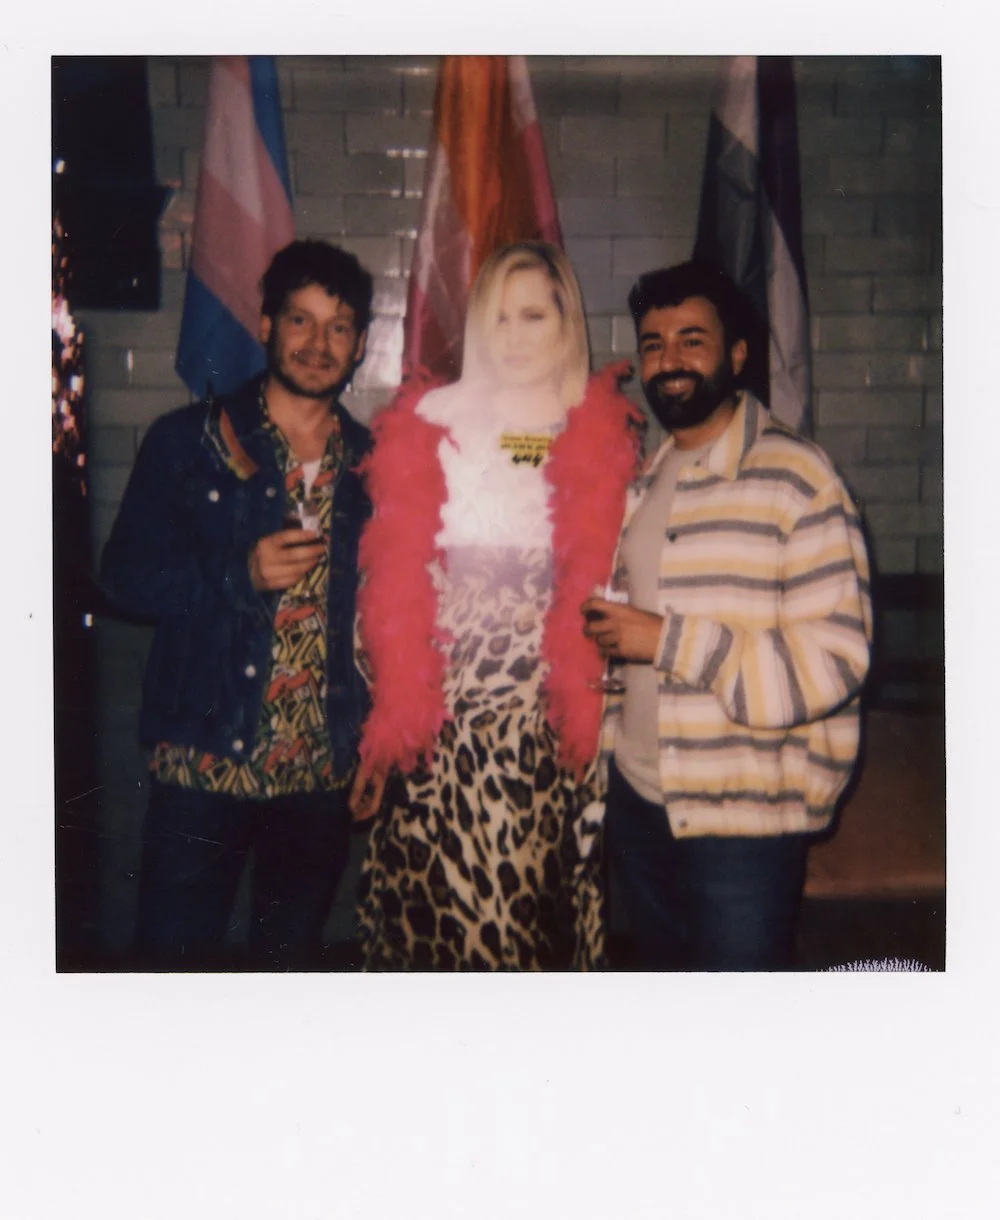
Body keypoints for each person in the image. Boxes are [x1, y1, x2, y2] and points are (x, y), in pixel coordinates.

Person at [349, 241, 641, 970]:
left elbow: (613, 585)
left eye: (533, 315)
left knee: (522, 920)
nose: (514, 336)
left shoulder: (596, 428)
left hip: (543, 724)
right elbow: (388, 583)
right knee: (434, 921)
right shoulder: (433, 419)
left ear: (566, 321)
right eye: (500, 317)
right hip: (438, 721)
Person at [583, 261, 872, 971]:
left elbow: (835, 661)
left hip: (745, 824)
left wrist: (668, 640)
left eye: (692, 340)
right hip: (639, 801)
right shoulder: (645, 480)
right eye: (654, 345)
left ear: (737, 355)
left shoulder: (798, 478)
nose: (670, 360)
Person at [100, 239, 374, 970]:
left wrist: (376, 743)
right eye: (300, 320)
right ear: (265, 325)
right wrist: (237, 573)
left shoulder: (373, 466)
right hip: (204, 763)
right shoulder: (189, 441)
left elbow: (382, 625)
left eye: (339, 327)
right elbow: (122, 577)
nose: (318, 344)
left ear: (360, 345)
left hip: (317, 778)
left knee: (287, 976)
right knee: (172, 972)